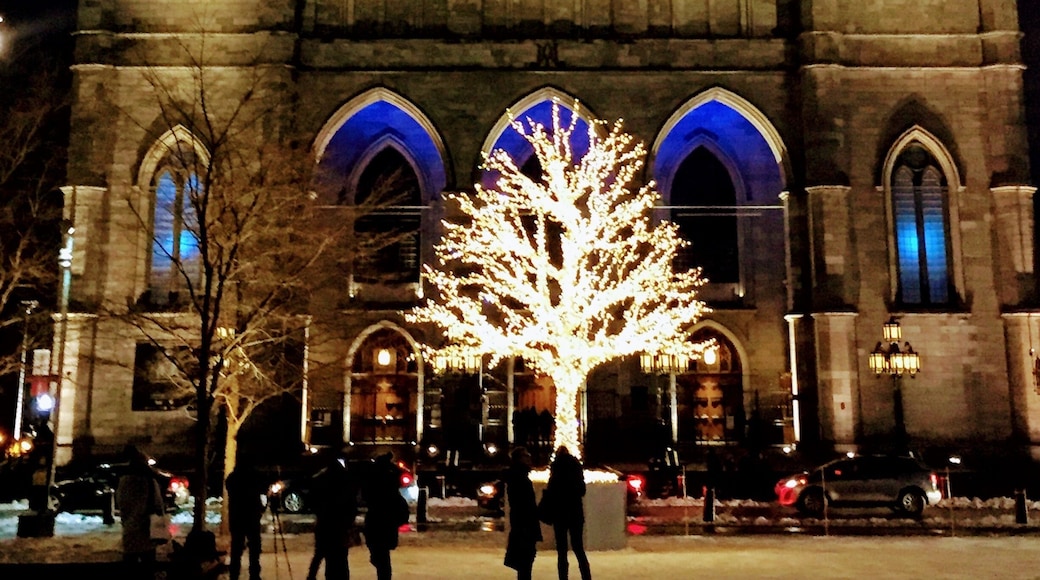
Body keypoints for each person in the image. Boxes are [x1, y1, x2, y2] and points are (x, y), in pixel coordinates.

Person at [306, 453, 359, 580]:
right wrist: (349, 521)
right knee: (340, 558)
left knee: (321, 554)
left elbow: (312, 500)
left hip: (325, 523)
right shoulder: (345, 480)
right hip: (340, 526)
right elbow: (352, 504)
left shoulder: (320, 478)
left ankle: (313, 577)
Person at [115, 445, 165, 579]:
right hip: (146, 529)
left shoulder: (124, 481)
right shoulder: (149, 481)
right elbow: (157, 505)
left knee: (130, 563)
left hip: (130, 529)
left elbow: (121, 504)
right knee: (148, 565)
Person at [545, 445, 591, 580]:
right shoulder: (576, 467)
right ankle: (586, 576)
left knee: (562, 551)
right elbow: (582, 490)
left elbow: (551, 491)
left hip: (560, 513)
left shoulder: (556, 469)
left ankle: (563, 577)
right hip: (575, 512)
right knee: (578, 547)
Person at [363, 452, 409, 580]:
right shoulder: (392, 479)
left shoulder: (374, 478)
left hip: (376, 521)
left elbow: (366, 494)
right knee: (383, 556)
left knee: (379, 555)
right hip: (387, 523)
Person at [503, 446, 542, 580]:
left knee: (524, 563)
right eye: (526, 456)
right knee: (525, 562)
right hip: (525, 526)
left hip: (523, 525)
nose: (529, 458)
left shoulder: (517, 476)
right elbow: (525, 504)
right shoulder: (520, 478)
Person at [225, 462, 266, 580]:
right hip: (251, 517)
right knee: (254, 547)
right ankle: (254, 574)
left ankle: (234, 574)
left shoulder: (232, 478)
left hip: (237, 517)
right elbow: (261, 490)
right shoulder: (254, 477)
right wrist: (260, 508)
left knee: (237, 548)